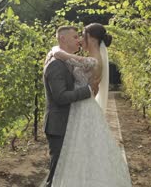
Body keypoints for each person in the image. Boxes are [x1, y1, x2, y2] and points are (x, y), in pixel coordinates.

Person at [50, 23, 132, 187]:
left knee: (78, 149)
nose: (80, 39)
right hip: (85, 106)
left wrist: (53, 49)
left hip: (82, 107)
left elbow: (61, 54)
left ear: (91, 38)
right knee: (84, 150)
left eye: (82, 35)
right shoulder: (95, 59)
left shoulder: (91, 61)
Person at [42, 25, 99, 187]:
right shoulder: (55, 65)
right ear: (62, 39)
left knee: (66, 170)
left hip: (68, 123)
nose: (79, 40)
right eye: (75, 37)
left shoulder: (65, 61)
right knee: (57, 171)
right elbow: (60, 97)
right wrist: (87, 91)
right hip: (58, 125)